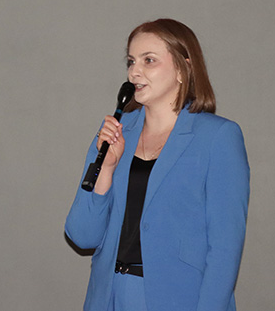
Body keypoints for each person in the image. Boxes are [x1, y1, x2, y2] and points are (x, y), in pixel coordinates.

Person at [65, 18, 250, 311]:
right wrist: (107, 170)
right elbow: (82, 235)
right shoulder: (114, 134)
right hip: (109, 296)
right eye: (131, 61)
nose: (134, 72)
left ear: (183, 68)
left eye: (148, 60)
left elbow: (225, 249)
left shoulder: (218, 137)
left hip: (179, 299)